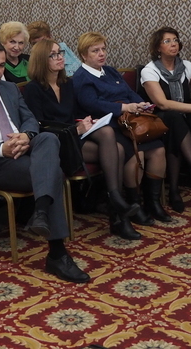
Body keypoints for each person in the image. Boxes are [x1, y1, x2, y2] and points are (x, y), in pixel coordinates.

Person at [0, 40, 90, 284]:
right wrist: (1, 149)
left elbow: (30, 120)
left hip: (22, 151)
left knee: (47, 138)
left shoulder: (10, 89)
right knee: (53, 174)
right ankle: (57, 252)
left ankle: (41, 211)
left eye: (2, 65)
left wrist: (26, 136)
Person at [24, 39, 141, 238]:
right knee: (115, 146)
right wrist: (76, 129)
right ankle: (117, 209)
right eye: (53, 55)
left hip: (72, 137)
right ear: (42, 59)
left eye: (60, 53)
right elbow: (39, 126)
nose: (60, 57)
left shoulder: (66, 83)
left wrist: (85, 123)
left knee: (112, 139)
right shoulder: (33, 89)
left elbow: (71, 116)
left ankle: (116, 206)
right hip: (53, 145)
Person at [73, 32, 171, 225]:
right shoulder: (81, 77)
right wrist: (124, 108)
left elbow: (128, 93)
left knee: (158, 149)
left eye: (103, 49)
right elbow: (93, 104)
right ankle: (133, 203)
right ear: (84, 55)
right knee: (136, 153)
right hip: (106, 127)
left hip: (128, 123)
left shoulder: (110, 71)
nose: (101, 53)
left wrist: (142, 104)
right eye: (95, 51)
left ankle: (152, 202)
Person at [140, 27, 191, 213]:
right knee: (173, 118)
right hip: (156, 122)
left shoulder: (185, 66)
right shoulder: (149, 70)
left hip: (180, 122)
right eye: (167, 41)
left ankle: (175, 191)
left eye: (175, 40)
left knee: (176, 126)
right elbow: (162, 104)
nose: (173, 44)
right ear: (158, 47)